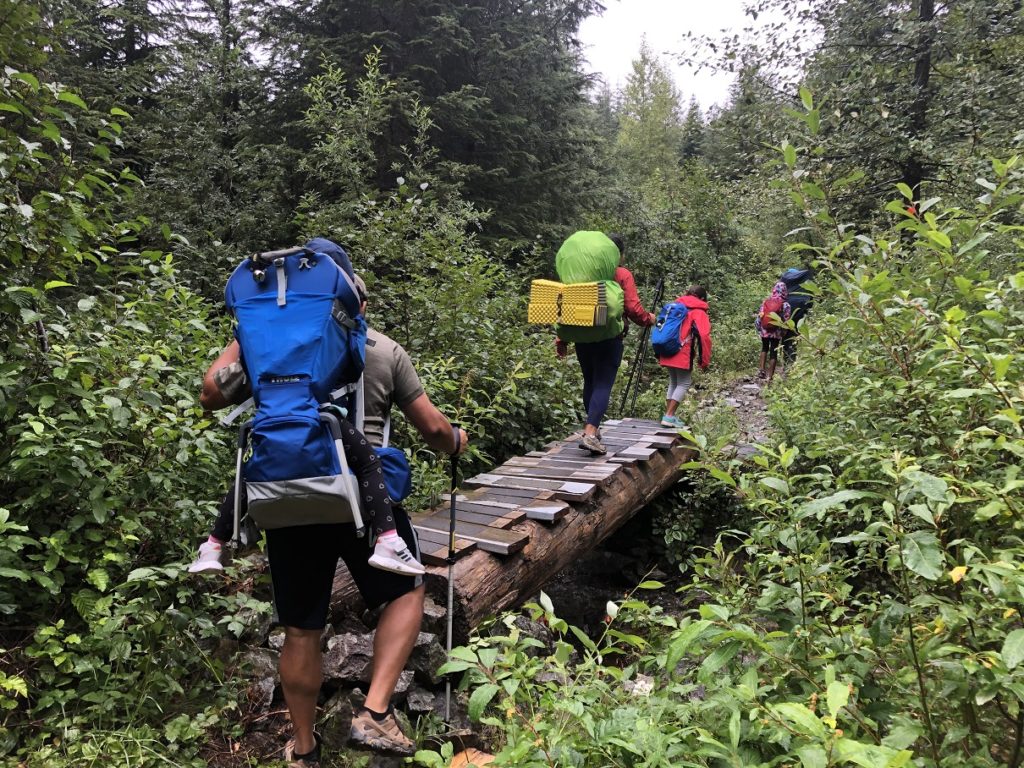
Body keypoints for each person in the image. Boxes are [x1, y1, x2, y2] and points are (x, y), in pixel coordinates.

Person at [197, 274, 469, 765]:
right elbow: (433, 428)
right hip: (361, 500)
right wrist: (456, 441)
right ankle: (375, 712)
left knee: (301, 628)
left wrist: (245, 344)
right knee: (407, 590)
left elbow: (209, 395)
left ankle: (304, 750)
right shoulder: (382, 348)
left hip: (286, 495)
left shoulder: (264, 346)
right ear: (354, 299)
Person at [552, 231, 626, 455]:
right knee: (603, 383)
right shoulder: (612, 282)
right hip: (607, 337)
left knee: (590, 381)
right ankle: (591, 433)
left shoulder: (574, 289)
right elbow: (625, 308)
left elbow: (561, 312)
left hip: (581, 336)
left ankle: (592, 428)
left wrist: (561, 337)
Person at [657, 285, 712, 427]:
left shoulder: (675, 306)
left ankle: (669, 415)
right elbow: (704, 336)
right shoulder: (698, 312)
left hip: (668, 348)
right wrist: (704, 361)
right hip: (682, 351)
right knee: (684, 383)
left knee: (674, 382)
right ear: (701, 298)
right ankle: (669, 416)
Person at [607, 233, 656, 335]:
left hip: (584, 332)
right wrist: (648, 319)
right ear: (619, 254)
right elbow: (633, 308)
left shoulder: (588, 273)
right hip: (611, 334)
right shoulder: (622, 274)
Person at [756, 280, 792, 384]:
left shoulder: (766, 302)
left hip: (765, 330)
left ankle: (761, 370)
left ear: (775, 290)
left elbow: (760, 316)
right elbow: (786, 319)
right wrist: (784, 331)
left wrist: (759, 328)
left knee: (764, 348)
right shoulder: (786, 305)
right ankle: (769, 376)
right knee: (773, 351)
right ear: (784, 291)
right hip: (776, 331)